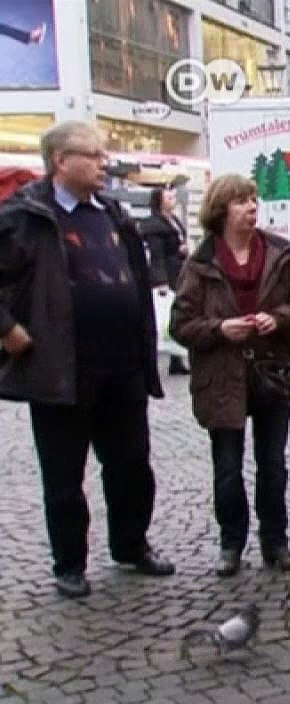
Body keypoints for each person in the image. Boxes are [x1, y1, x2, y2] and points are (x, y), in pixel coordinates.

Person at [0, 120, 173, 598]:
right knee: (64, 473)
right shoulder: (26, 216)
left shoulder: (113, 213)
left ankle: (131, 545)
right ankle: (70, 564)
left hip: (122, 366)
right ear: (61, 161)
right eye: (93, 155)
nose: (104, 163)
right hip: (62, 369)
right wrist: (8, 331)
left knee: (132, 464)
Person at [170, 174, 290, 577]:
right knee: (227, 467)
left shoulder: (279, 253)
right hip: (222, 377)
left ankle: (276, 542)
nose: (252, 208)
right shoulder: (200, 263)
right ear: (221, 210)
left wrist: (279, 318)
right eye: (241, 201)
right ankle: (231, 544)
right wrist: (220, 330)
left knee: (272, 465)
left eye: (254, 199)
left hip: (274, 373)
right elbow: (181, 326)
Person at [139, 185, 190, 375]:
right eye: (169, 198)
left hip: (178, 270)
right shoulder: (154, 225)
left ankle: (176, 358)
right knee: (162, 318)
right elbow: (156, 255)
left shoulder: (173, 220)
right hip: (166, 273)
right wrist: (160, 281)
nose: (173, 200)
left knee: (175, 315)